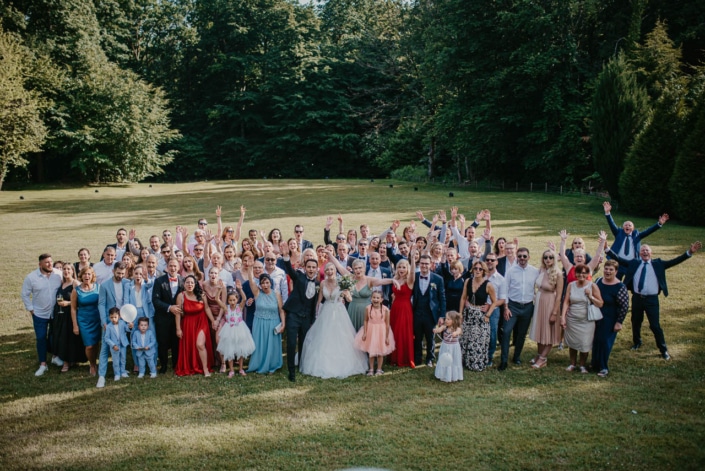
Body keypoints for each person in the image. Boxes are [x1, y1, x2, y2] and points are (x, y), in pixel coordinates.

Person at [606, 241, 701, 359]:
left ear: (651, 253)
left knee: (655, 325)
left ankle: (663, 349)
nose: (645, 252)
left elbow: (675, 261)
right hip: (637, 298)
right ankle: (637, 342)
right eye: (642, 250)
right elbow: (619, 259)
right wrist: (607, 249)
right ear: (639, 253)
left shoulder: (658, 264)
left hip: (652, 300)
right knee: (636, 321)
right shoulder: (634, 263)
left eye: (647, 250)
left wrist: (689, 252)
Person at [299, 261, 369, 379]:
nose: (330, 272)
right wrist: (316, 314)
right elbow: (319, 300)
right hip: (326, 310)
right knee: (324, 336)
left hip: (339, 310)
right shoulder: (322, 283)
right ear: (325, 272)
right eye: (327, 270)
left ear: (335, 271)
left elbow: (350, 299)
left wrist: (346, 294)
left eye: (332, 270)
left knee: (341, 336)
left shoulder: (341, 282)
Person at [279, 241, 320, 382]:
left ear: (316, 269)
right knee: (291, 343)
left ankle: (301, 366)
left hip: (306, 317)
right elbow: (289, 270)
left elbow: (317, 302)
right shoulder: (299, 276)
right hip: (293, 315)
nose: (311, 269)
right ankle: (291, 371)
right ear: (305, 266)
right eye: (309, 266)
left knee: (303, 343)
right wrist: (285, 256)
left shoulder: (318, 284)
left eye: (313, 267)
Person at [21, 253, 63, 376]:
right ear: (40, 264)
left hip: (55, 312)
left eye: (51, 261)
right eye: (47, 262)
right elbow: (25, 294)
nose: (50, 264)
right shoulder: (31, 277)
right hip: (39, 314)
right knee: (41, 337)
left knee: (54, 336)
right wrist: (31, 309)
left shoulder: (58, 274)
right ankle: (43, 364)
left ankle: (55, 356)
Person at [603, 201, 669, 277]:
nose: (627, 226)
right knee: (615, 283)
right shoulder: (619, 233)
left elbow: (649, 231)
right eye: (625, 225)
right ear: (623, 227)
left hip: (632, 264)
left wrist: (659, 224)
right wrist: (608, 213)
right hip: (618, 264)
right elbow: (611, 224)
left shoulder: (637, 235)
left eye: (629, 225)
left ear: (633, 228)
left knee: (631, 284)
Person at [499, 247, 539, 371]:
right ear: (517, 256)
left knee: (521, 334)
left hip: (527, 307)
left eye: (524, 256)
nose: (522, 258)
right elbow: (505, 289)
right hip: (512, 306)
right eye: (520, 256)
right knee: (506, 332)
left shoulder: (534, 271)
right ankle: (504, 360)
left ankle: (516, 357)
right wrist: (506, 307)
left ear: (529, 257)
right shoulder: (511, 271)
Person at [561, 264, 603, 373]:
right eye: (579, 272)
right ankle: (572, 363)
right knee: (573, 343)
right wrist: (563, 317)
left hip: (586, 320)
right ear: (575, 274)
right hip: (572, 318)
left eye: (584, 273)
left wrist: (590, 296)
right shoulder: (571, 285)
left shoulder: (592, 286)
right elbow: (566, 301)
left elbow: (600, 303)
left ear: (588, 274)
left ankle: (582, 365)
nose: (581, 275)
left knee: (585, 343)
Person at [459, 261, 499, 371]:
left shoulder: (488, 285)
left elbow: (495, 302)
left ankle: (476, 363)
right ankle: (465, 361)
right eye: (475, 268)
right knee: (466, 339)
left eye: (480, 269)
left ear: (484, 271)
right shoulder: (468, 281)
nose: (477, 270)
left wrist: (488, 315)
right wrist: (460, 313)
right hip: (468, 314)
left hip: (480, 315)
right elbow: (463, 298)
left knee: (478, 341)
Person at [528, 249, 564, 369]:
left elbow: (559, 295)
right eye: (545, 257)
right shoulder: (541, 270)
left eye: (550, 257)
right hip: (539, 301)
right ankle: (539, 355)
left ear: (554, 259)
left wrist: (554, 312)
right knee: (540, 328)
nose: (548, 259)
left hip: (550, 302)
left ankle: (543, 358)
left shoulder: (558, 274)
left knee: (549, 330)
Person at [592, 260, 629, 377]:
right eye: (606, 269)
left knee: (605, 341)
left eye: (611, 270)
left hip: (610, 317)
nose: (608, 271)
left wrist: (619, 322)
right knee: (596, 340)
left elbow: (624, 306)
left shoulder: (620, 286)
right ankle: (595, 364)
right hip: (597, 315)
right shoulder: (598, 281)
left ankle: (604, 367)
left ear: (616, 271)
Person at [96, 262, 130, 388]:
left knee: (122, 345)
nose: (120, 275)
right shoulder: (105, 285)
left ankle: (121, 370)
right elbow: (101, 304)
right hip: (109, 321)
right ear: (113, 271)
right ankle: (101, 375)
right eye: (118, 273)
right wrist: (104, 321)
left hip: (123, 320)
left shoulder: (127, 283)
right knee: (105, 347)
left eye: (122, 273)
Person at [174, 275, 215, 377]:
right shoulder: (181, 296)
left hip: (201, 321)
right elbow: (178, 313)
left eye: (192, 282)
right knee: (191, 346)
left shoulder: (201, 294)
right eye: (187, 282)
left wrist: (213, 321)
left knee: (200, 344)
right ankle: (193, 365)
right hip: (188, 323)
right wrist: (178, 328)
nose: (190, 284)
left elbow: (206, 309)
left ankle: (205, 369)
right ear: (184, 284)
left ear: (195, 284)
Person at [50, 263, 86, 373]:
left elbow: (81, 300)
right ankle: (67, 359)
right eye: (64, 269)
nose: (66, 271)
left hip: (70, 315)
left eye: (68, 269)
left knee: (69, 338)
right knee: (61, 337)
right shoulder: (62, 283)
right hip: (60, 315)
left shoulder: (75, 283)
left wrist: (68, 303)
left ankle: (67, 362)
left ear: (72, 271)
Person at [247, 273, 285, 374]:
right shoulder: (257, 293)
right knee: (259, 343)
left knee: (272, 344)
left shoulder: (276, 294)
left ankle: (272, 364)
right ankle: (258, 363)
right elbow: (251, 282)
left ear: (270, 283)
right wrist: (250, 269)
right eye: (263, 283)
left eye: (267, 282)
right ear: (260, 284)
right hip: (259, 322)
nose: (265, 285)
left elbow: (281, 311)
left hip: (273, 322)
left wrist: (283, 324)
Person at [412, 254, 446, 368]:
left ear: (431, 264)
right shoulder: (414, 277)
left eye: (426, 263)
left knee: (430, 337)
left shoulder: (438, 279)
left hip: (431, 313)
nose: (424, 266)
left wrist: (442, 315)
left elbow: (442, 298)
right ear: (419, 264)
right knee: (417, 336)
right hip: (417, 311)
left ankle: (430, 358)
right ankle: (417, 358)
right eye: (422, 263)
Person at [151, 258, 184, 374]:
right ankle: (164, 365)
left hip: (178, 319)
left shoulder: (183, 281)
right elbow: (155, 300)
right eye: (171, 266)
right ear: (167, 267)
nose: (173, 268)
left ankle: (176, 364)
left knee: (176, 342)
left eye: (175, 266)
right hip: (163, 318)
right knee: (163, 342)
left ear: (179, 267)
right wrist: (170, 308)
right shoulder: (159, 281)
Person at [217, 286, 256, 378]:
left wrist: (240, 289)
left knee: (240, 349)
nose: (232, 302)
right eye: (230, 300)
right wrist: (219, 290)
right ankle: (231, 370)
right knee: (229, 350)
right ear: (227, 301)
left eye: (234, 300)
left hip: (240, 330)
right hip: (229, 330)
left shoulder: (240, 307)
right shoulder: (226, 308)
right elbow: (217, 299)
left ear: (237, 300)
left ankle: (241, 369)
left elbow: (245, 298)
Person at [354, 291, 395, 376]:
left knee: (380, 351)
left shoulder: (386, 310)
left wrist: (387, 337)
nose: (375, 299)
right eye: (374, 297)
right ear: (371, 298)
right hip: (371, 330)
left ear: (381, 299)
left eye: (378, 298)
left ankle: (379, 369)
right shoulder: (368, 308)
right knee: (371, 351)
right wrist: (365, 332)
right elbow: (365, 320)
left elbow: (387, 324)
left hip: (381, 331)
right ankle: (371, 369)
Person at [70, 266, 101, 376]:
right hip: (84, 320)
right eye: (84, 274)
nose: (87, 276)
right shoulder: (76, 290)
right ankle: (92, 364)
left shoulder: (98, 287)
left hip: (97, 319)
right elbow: (73, 308)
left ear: (92, 275)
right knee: (89, 345)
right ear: (81, 276)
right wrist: (75, 325)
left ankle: (95, 361)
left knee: (96, 343)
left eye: (89, 274)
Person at [347, 259, 393, 330]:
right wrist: (329, 254)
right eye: (355, 268)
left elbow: (381, 281)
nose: (358, 270)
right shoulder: (351, 278)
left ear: (364, 269)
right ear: (353, 270)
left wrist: (392, 280)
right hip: (352, 309)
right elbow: (339, 267)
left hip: (366, 310)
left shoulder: (369, 280)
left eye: (360, 268)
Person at [389, 258, 416, 368]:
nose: (401, 269)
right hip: (395, 307)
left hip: (405, 308)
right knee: (394, 331)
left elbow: (413, 273)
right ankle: (393, 357)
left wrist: (413, 259)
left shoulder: (409, 280)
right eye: (399, 267)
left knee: (402, 332)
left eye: (404, 267)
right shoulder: (395, 279)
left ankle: (403, 358)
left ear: (407, 269)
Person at [201, 267, 227, 372]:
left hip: (221, 315)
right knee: (210, 338)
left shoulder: (222, 286)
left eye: (215, 273)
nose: (213, 275)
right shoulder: (204, 285)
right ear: (208, 274)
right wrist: (212, 320)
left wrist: (218, 320)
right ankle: (213, 361)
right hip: (208, 314)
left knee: (218, 339)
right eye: (211, 273)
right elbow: (206, 306)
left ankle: (223, 363)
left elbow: (223, 305)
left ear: (218, 275)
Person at [484, 254, 506, 368]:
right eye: (487, 260)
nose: (489, 262)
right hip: (478, 309)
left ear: (496, 262)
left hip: (494, 311)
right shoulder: (480, 275)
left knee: (492, 334)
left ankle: (489, 357)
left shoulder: (501, 279)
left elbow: (502, 299)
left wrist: (490, 305)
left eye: (492, 260)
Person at [103, 307, 132, 382]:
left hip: (123, 344)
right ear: (109, 317)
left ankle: (123, 371)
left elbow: (127, 329)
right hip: (114, 347)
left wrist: (130, 326)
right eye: (111, 317)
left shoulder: (122, 323)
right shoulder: (109, 327)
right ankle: (117, 374)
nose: (113, 319)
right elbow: (106, 338)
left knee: (123, 359)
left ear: (119, 316)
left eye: (115, 317)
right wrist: (113, 345)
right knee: (116, 360)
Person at [433, 311, 463, 382]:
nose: (446, 320)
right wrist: (436, 330)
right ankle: (443, 374)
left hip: (453, 348)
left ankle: (453, 375)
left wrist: (455, 333)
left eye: (448, 319)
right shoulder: (445, 327)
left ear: (454, 321)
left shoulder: (457, 328)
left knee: (453, 361)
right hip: (445, 347)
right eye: (446, 318)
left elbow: (459, 331)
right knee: (444, 360)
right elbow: (439, 329)